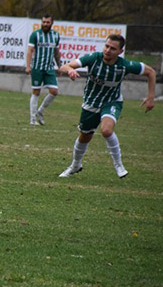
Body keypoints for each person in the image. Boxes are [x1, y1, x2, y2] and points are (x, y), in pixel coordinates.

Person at [58, 34, 156, 179]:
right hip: (91, 103)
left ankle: (119, 165)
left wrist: (151, 97)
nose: (108, 50)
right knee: (84, 136)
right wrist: (70, 70)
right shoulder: (93, 58)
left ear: (120, 51)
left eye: (113, 48)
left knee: (106, 130)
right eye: (107, 46)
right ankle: (75, 165)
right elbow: (64, 66)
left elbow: (151, 72)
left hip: (112, 102)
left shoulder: (125, 65)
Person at [25, 14, 61, 125]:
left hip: (49, 68)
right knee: (36, 92)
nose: (45, 24)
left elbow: (56, 52)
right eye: (43, 22)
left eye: (47, 22)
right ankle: (32, 119)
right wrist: (28, 66)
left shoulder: (55, 35)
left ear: (52, 23)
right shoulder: (35, 34)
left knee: (54, 91)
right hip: (37, 67)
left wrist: (59, 66)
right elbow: (30, 50)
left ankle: (40, 111)